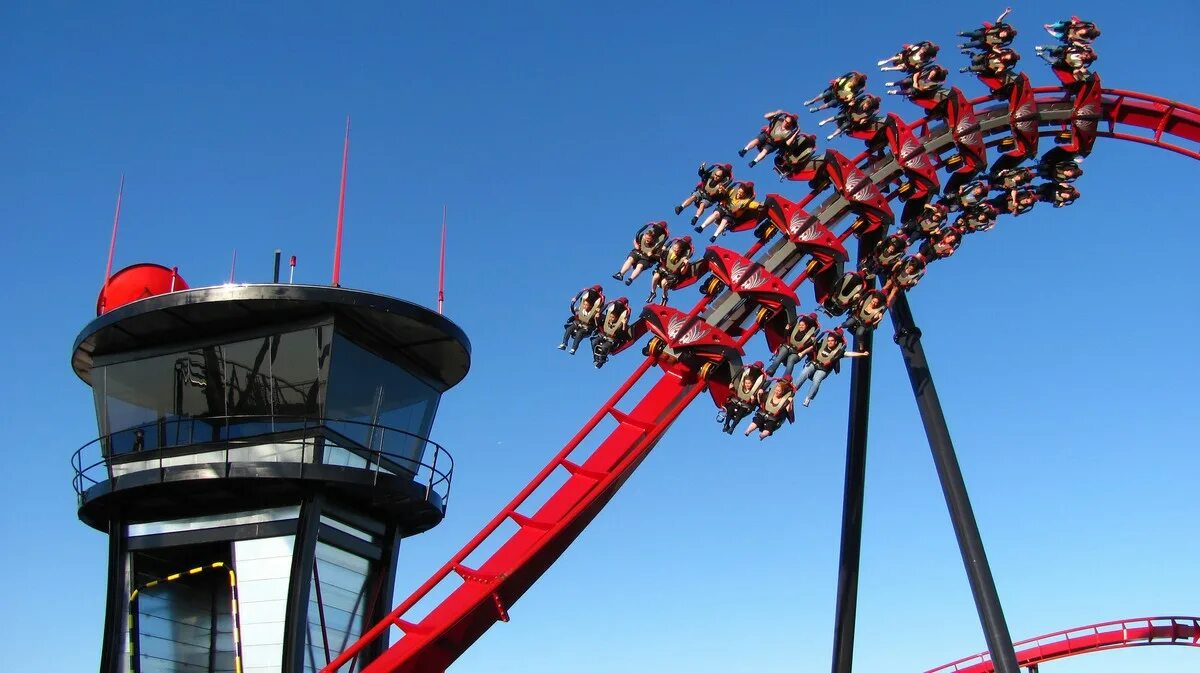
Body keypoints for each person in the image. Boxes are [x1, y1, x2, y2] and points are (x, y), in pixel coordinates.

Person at [794, 330, 869, 407]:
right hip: (815, 363)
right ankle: (794, 388)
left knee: (816, 380)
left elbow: (849, 354)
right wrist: (803, 352)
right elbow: (812, 347)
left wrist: (862, 354)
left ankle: (808, 398)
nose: (829, 342)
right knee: (805, 372)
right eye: (828, 340)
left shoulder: (838, 351)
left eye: (831, 341)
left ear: (835, 342)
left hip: (823, 368)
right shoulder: (822, 344)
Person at [613, 221, 668, 286]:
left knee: (640, 266)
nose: (647, 241)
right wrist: (636, 245)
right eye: (646, 238)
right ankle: (620, 274)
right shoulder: (644, 235)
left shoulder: (660, 244)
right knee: (630, 259)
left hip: (647, 258)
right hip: (639, 251)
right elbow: (635, 239)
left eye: (648, 240)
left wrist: (652, 255)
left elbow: (660, 257)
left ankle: (630, 279)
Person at [766, 312, 820, 377]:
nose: (801, 326)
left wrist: (804, 351)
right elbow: (786, 335)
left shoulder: (809, 336)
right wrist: (786, 330)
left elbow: (810, 347)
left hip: (797, 352)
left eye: (803, 325)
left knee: (791, 360)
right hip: (788, 346)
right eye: (800, 325)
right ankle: (771, 370)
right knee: (782, 353)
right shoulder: (794, 329)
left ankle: (786, 377)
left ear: (806, 326)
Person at [743, 375, 797, 440]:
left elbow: (790, 413)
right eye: (776, 390)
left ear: (783, 392)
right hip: (763, 412)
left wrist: (789, 406)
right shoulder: (769, 394)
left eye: (779, 391)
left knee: (769, 427)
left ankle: (762, 435)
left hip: (774, 418)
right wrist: (759, 395)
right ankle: (748, 431)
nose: (776, 392)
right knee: (757, 421)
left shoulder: (787, 399)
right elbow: (760, 401)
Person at [721, 361, 767, 434]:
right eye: (746, 383)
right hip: (737, 399)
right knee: (730, 409)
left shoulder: (757, 387)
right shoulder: (742, 385)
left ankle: (732, 427)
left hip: (746, 404)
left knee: (740, 413)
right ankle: (726, 424)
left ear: (752, 384)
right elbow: (735, 391)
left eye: (749, 383)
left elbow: (754, 402)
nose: (747, 385)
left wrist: (752, 399)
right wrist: (732, 386)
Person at [559, 285, 605, 354]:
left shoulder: (594, 311)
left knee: (579, 333)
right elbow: (576, 309)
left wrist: (598, 312)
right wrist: (574, 303)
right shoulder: (581, 308)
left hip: (588, 326)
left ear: (590, 306)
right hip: (579, 322)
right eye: (584, 305)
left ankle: (573, 348)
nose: (585, 306)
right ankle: (564, 343)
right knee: (569, 328)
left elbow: (597, 319)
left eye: (587, 305)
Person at [648, 236, 694, 304]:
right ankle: (653, 292)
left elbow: (682, 272)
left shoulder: (683, 259)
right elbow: (660, 259)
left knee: (664, 282)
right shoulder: (669, 251)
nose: (674, 249)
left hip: (673, 274)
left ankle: (664, 297)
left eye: (676, 249)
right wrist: (655, 254)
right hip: (664, 268)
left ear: (680, 250)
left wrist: (686, 265)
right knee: (656, 276)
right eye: (674, 247)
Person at [592, 297, 632, 369]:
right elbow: (598, 325)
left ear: (617, 318)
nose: (610, 318)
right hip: (604, 336)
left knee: (604, 346)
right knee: (594, 341)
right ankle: (595, 358)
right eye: (610, 317)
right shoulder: (606, 319)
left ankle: (601, 361)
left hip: (613, 340)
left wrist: (623, 324)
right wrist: (596, 317)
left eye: (613, 317)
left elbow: (623, 333)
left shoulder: (620, 324)